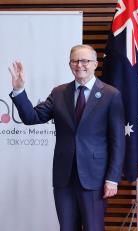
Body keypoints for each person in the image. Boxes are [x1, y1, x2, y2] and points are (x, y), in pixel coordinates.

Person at [8, 44, 125, 231]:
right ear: (69, 64)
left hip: (95, 179)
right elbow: (32, 117)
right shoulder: (59, 92)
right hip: (64, 178)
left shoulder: (111, 95)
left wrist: (112, 178)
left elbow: (118, 141)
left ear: (95, 64)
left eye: (85, 61)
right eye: (75, 61)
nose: (80, 65)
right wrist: (19, 90)